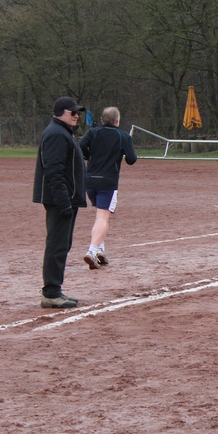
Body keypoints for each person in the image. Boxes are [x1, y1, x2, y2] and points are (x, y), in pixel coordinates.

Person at [33, 96, 87, 308]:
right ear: (60, 113)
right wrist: (63, 201)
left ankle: (55, 289)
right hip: (60, 200)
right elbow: (53, 171)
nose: (76, 116)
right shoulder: (57, 134)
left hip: (67, 198)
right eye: (72, 112)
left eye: (78, 112)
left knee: (62, 244)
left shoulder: (63, 132)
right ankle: (51, 292)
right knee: (57, 245)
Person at [78, 106, 138, 269]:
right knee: (103, 217)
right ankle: (92, 251)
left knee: (100, 215)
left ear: (102, 120)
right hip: (108, 182)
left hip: (90, 180)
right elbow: (132, 159)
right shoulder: (123, 136)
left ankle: (100, 250)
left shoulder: (92, 133)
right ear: (117, 121)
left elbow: (79, 147)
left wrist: (89, 156)